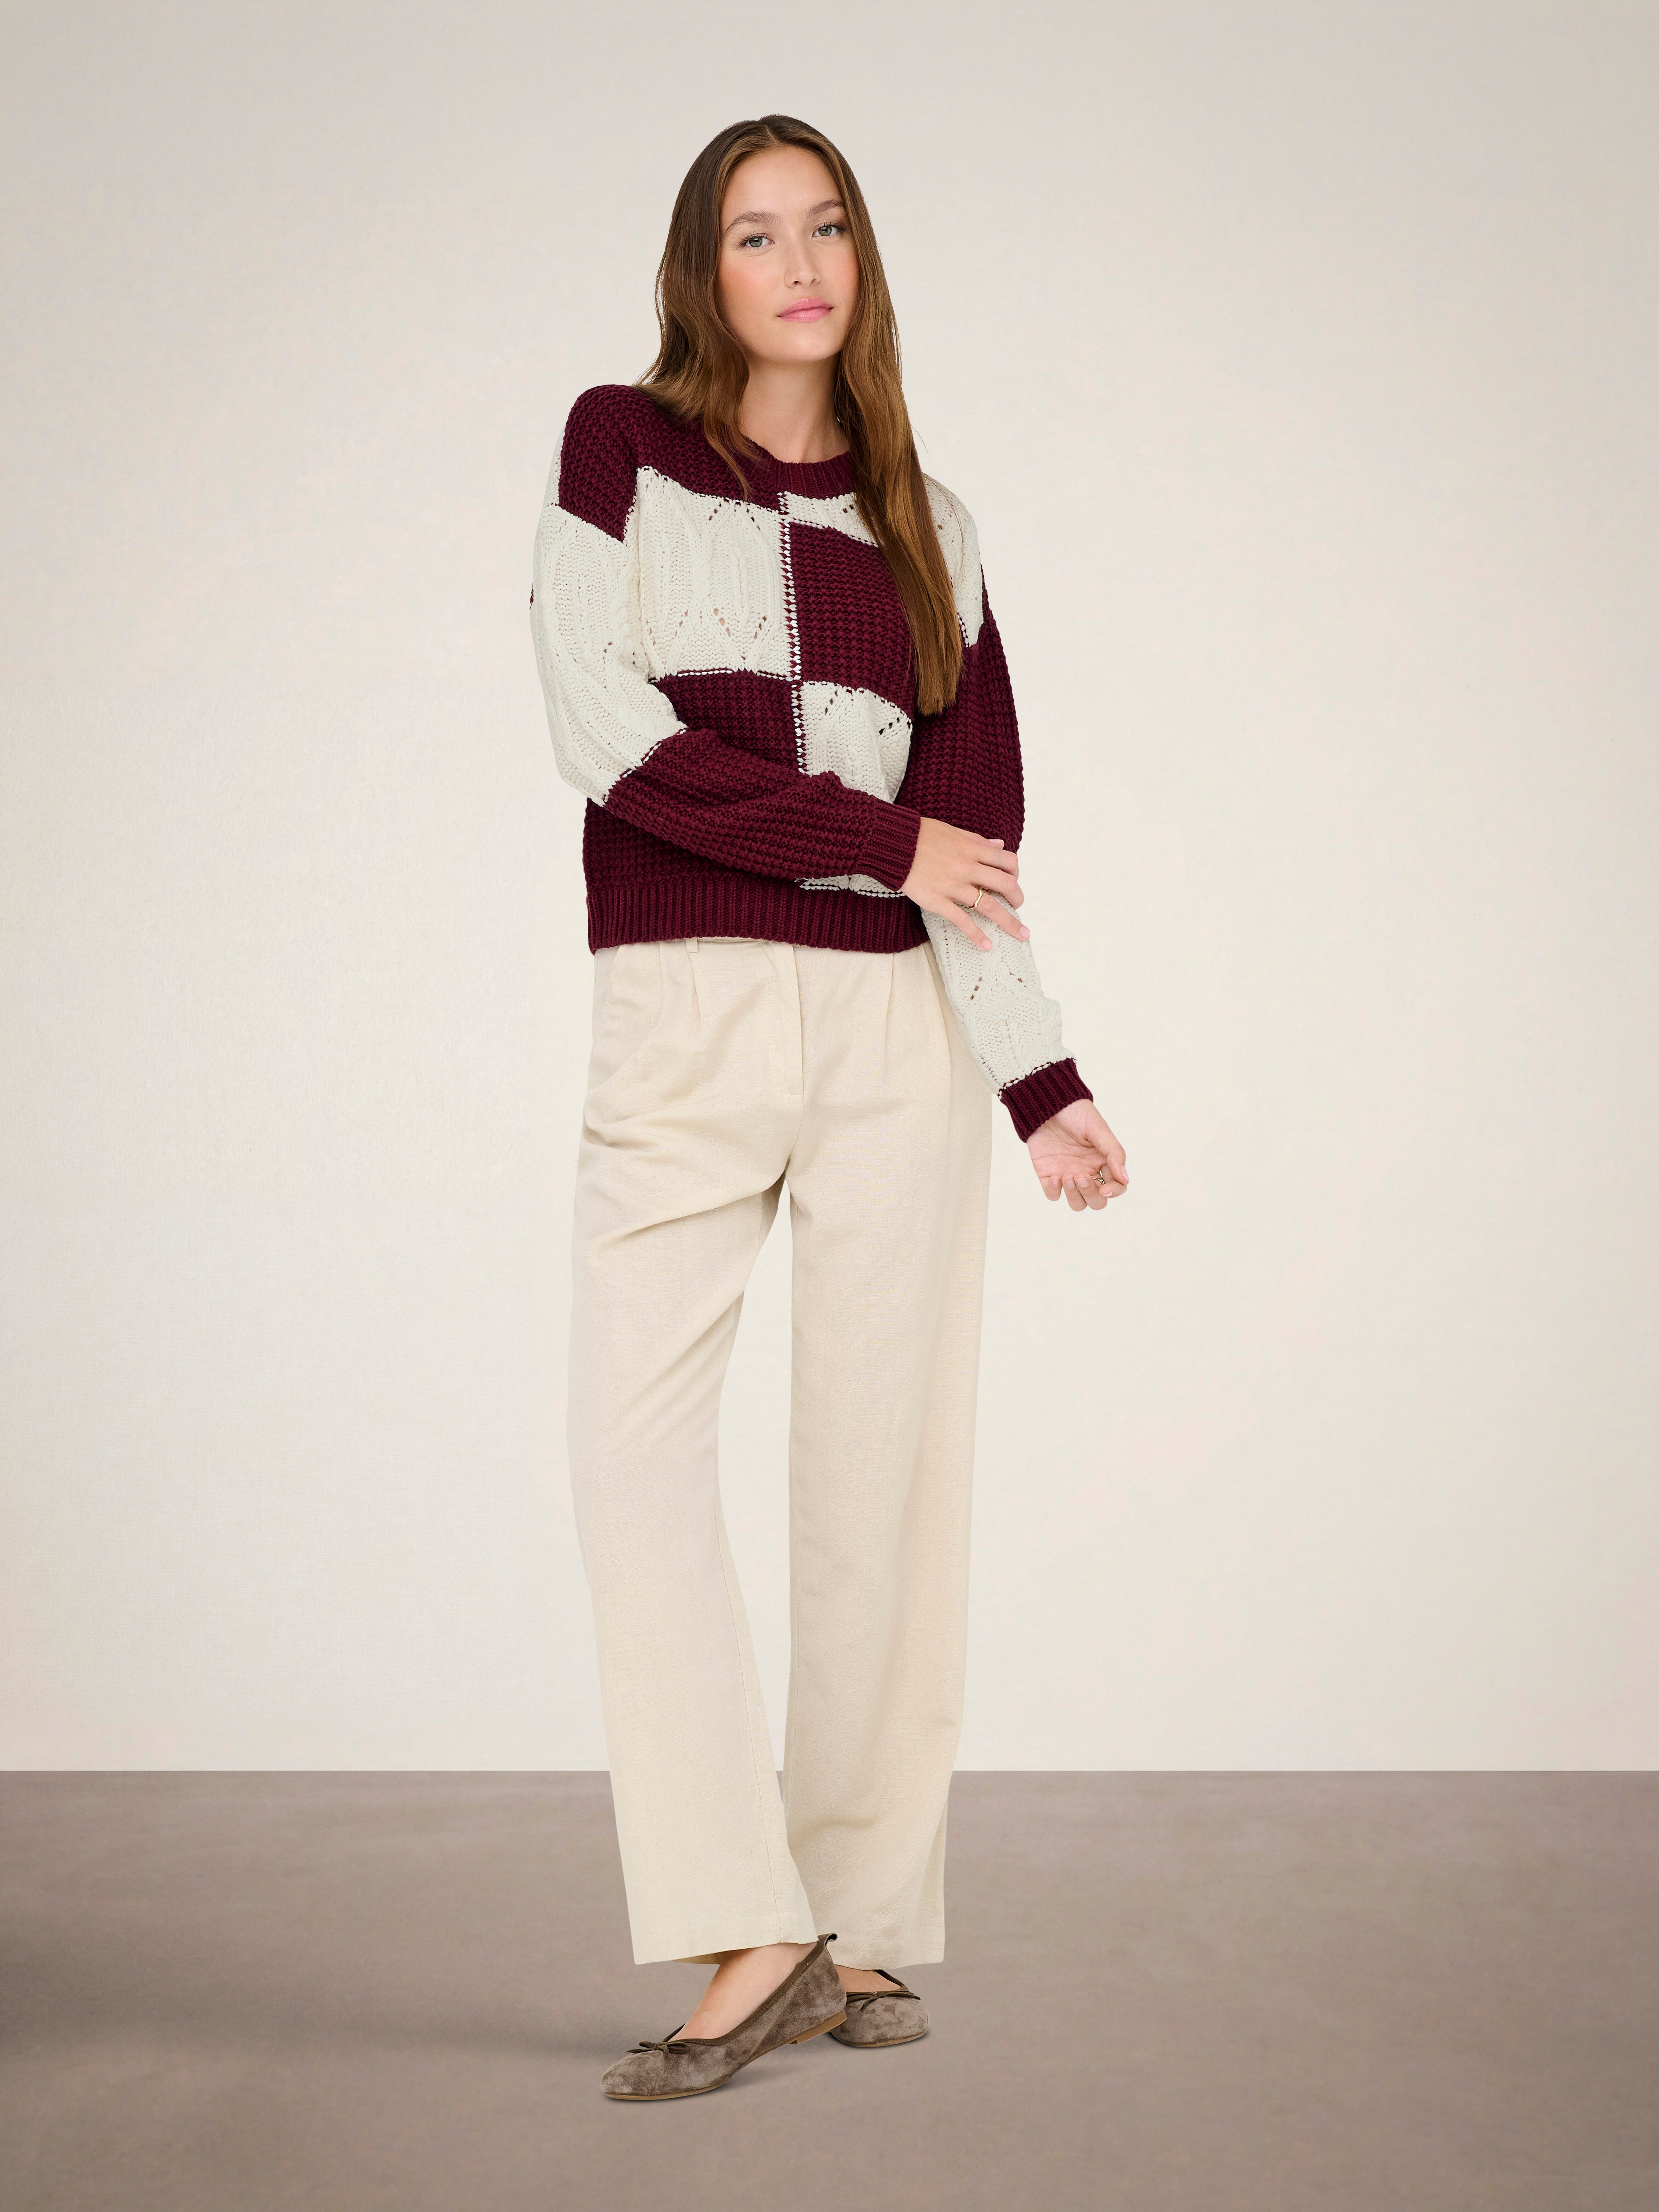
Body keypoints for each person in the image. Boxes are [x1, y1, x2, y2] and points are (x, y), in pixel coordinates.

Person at [529, 113, 1128, 2102]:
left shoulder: (929, 523)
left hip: (894, 1037)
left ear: (863, 262)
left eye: (828, 227)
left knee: (885, 1479)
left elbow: (981, 846)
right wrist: (872, 838)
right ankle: (748, 1912)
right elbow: (608, 735)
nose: (797, 264)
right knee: (629, 1460)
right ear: (700, 271)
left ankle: (853, 1923)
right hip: (685, 1010)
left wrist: (1038, 1076)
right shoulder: (623, 448)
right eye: (753, 233)